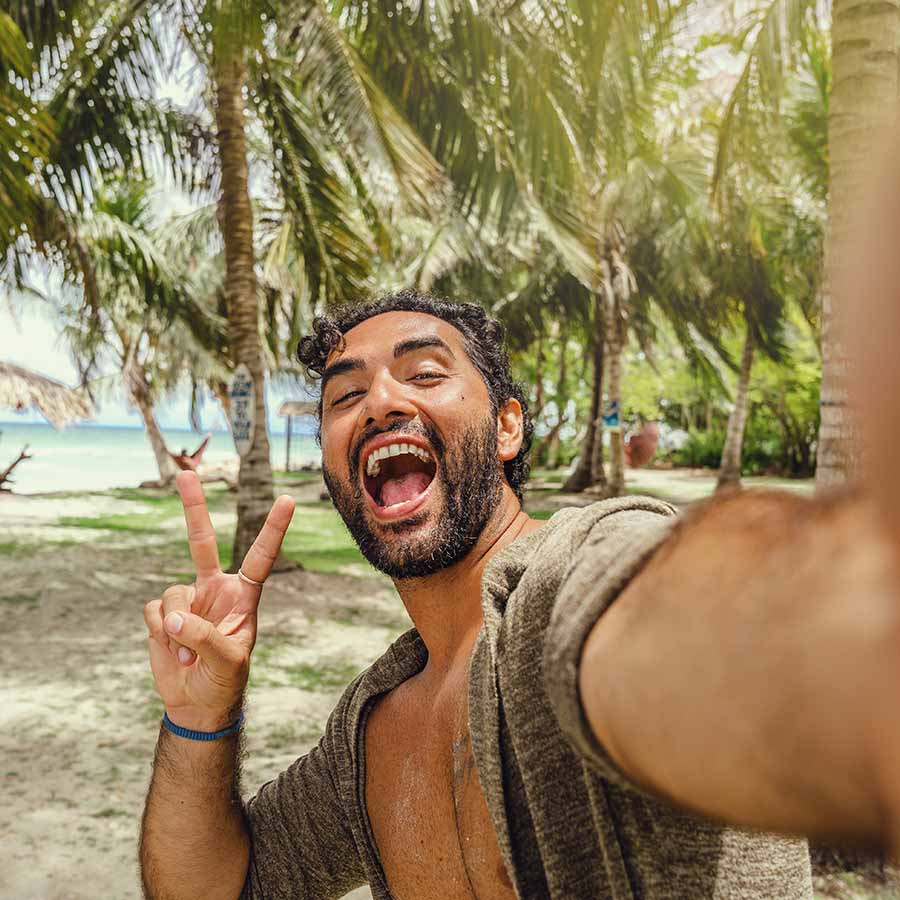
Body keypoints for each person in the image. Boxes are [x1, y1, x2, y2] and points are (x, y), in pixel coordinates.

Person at [139, 290, 900, 900]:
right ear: (335, 470)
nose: (379, 403)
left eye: (426, 373)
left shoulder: (573, 577)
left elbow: (675, 620)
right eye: (345, 397)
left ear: (507, 428)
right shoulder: (368, 732)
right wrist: (200, 719)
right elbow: (213, 888)